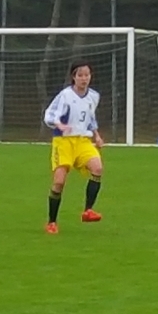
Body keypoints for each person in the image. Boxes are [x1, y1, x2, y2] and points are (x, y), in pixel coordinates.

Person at [42, 61, 104, 234]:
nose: (84, 78)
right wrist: (59, 125)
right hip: (63, 142)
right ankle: (52, 222)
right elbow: (49, 115)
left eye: (87, 75)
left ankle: (88, 211)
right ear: (73, 77)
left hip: (83, 141)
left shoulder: (94, 96)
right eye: (80, 75)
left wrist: (97, 135)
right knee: (59, 182)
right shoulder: (65, 95)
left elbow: (90, 118)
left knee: (98, 168)